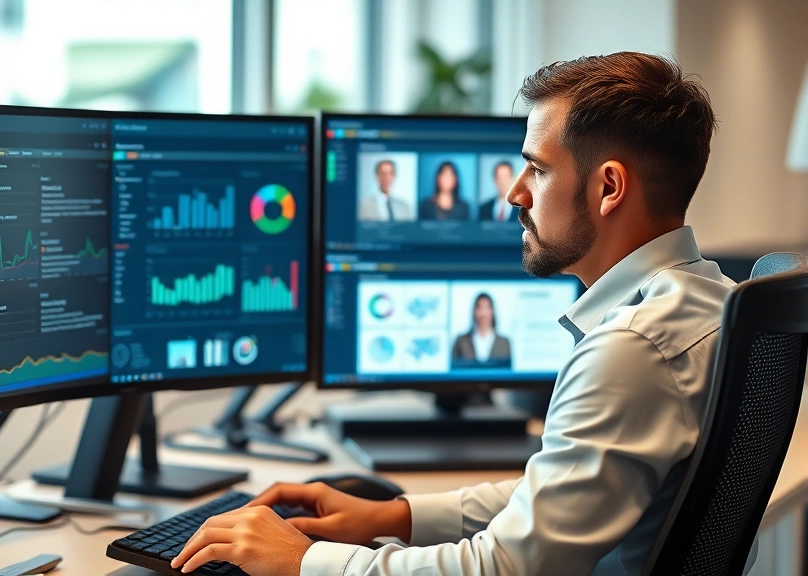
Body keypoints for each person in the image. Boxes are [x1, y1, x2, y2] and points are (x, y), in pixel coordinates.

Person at [172, 53, 748, 576]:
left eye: (537, 169)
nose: (514, 193)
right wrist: (390, 516)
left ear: (609, 187)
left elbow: (509, 567)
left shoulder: (632, 345)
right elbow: (559, 500)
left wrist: (305, 559)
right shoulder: (708, 296)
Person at [452, 293, 511, 366]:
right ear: (474, 311)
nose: (483, 313)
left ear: (492, 311)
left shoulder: (504, 343)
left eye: (487, 308)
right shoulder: (461, 341)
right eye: (479, 308)